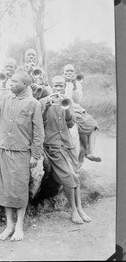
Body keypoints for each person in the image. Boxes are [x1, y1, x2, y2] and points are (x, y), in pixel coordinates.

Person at [0, 71, 45, 241]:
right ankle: (9, 225)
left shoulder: (34, 104)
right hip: (4, 149)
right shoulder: (5, 98)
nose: (10, 83)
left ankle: (19, 227)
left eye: (14, 81)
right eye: (10, 81)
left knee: (19, 189)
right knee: (5, 189)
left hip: (21, 152)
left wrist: (35, 155)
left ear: (25, 84)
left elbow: (39, 132)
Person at [40, 75, 91, 224]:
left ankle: (80, 209)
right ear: (51, 86)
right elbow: (39, 123)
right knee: (69, 175)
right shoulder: (43, 102)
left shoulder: (68, 101)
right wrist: (46, 108)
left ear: (64, 86)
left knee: (75, 175)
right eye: (56, 85)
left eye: (61, 86)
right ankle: (73, 210)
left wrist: (67, 108)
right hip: (53, 145)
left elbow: (70, 124)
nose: (58, 88)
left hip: (67, 144)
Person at [62, 64, 101, 162]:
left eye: (71, 71)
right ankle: (87, 152)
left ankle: (91, 152)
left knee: (94, 125)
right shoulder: (60, 82)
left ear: (74, 73)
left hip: (76, 108)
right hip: (65, 108)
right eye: (67, 71)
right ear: (63, 73)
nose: (69, 73)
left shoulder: (77, 84)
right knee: (82, 124)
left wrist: (74, 85)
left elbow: (77, 100)